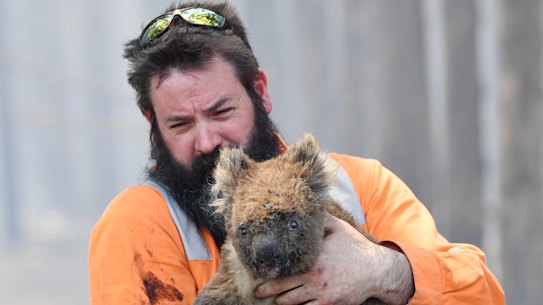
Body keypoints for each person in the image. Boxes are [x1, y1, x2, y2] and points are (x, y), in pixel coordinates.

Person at [88, 1, 505, 304]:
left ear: (261, 92)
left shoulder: (360, 185)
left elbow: (483, 293)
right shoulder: (136, 225)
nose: (208, 141)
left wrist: (389, 271)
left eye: (222, 111)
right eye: (180, 123)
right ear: (152, 123)